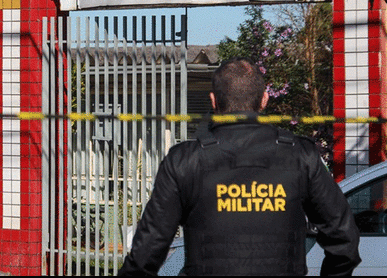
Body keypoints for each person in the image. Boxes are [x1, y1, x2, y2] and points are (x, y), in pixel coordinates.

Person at [118, 58, 361, 276]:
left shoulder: (184, 160)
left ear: (213, 100)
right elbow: (344, 238)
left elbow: (147, 253)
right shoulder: (300, 156)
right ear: (264, 100)